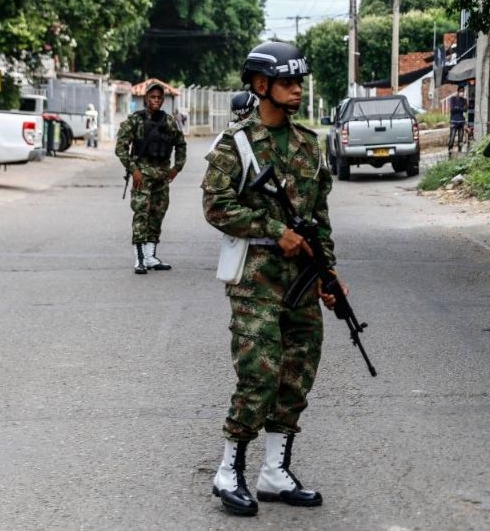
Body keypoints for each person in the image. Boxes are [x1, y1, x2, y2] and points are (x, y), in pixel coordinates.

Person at [202, 41, 344, 517]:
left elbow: (318, 215)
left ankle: (274, 471)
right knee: (259, 374)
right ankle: (229, 470)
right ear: (262, 86)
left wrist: (329, 272)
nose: (297, 88)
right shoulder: (236, 143)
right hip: (256, 278)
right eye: (288, 81)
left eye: (300, 81)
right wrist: (272, 230)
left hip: (302, 280)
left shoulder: (308, 142)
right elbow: (216, 206)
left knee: (297, 373)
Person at [115, 83, 187, 274]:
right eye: (152, 97)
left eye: (159, 98)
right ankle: (139, 259)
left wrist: (177, 167)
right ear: (146, 98)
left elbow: (181, 144)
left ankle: (150, 257)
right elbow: (120, 148)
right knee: (141, 215)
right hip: (142, 177)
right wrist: (133, 170)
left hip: (162, 177)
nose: (155, 100)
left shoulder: (169, 122)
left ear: (162, 100)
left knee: (158, 214)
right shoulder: (135, 120)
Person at [447, 86, 467, 155]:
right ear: (458, 91)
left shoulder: (464, 100)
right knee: (452, 137)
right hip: (454, 121)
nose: (462, 92)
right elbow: (452, 109)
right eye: (461, 91)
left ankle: (460, 151)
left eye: (463, 91)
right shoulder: (453, 99)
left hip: (461, 122)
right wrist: (461, 108)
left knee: (460, 138)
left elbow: (465, 110)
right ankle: (449, 151)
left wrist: (457, 108)